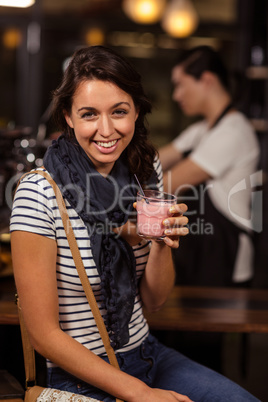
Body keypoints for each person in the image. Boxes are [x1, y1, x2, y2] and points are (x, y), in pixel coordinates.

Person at [10, 46, 260, 402]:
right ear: (68, 116)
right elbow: (44, 335)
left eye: (119, 112)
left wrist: (161, 244)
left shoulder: (146, 174)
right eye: (89, 114)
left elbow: (154, 301)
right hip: (81, 375)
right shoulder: (39, 192)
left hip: (147, 354)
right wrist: (139, 393)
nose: (106, 130)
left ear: (136, 111)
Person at [159, 45, 260, 287]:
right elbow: (154, 160)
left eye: (180, 84)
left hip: (225, 253)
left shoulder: (233, 130)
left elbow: (170, 183)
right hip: (202, 249)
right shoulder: (202, 129)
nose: (176, 95)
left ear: (206, 80)